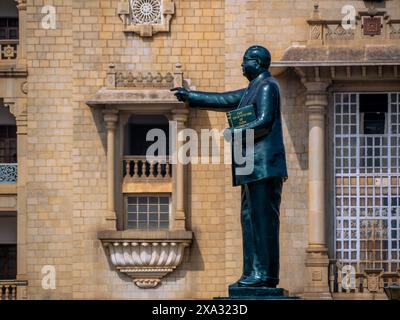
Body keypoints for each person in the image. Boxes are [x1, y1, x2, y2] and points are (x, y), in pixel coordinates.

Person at [171, 45, 288, 288]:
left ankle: (265, 275)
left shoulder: (267, 86)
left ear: (256, 62)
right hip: (251, 168)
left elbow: (265, 122)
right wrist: (190, 96)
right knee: (249, 220)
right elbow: (224, 99)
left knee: (263, 220)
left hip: (264, 166)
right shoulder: (252, 89)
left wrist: (234, 132)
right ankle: (252, 272)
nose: (242, 65)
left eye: (245, 60)